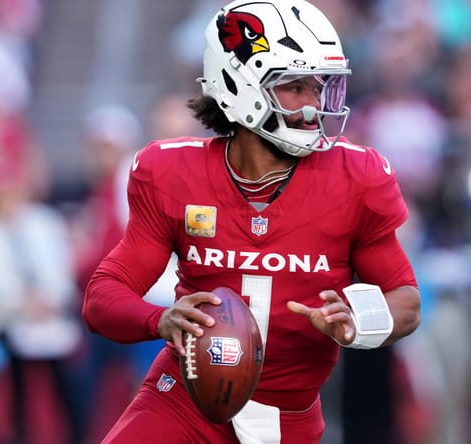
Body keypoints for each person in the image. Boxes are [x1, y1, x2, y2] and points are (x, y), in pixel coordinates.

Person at [82, 1, 421, 443]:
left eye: (318, 88)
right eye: (294, 87)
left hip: (288, 417)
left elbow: (407, 301)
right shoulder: (172, 173)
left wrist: (360, 320)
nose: (313, 105)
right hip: (184, 402)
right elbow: (102, 297)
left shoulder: (356, 179)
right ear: (240, 87)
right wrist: (159, 319)